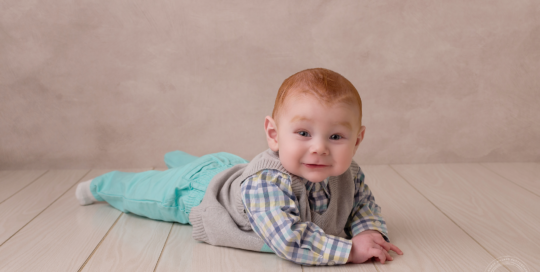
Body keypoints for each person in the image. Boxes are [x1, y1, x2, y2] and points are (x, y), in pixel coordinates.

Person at [75, 68, 403, 266]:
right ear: (274, 135)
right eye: (303, 133)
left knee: (214, 167)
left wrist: (369, 231)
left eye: (336, 136)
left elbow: (363, 206)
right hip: (199, 191)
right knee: (145, 193)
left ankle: (181, 158)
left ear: (357, 140)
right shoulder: (266, 183)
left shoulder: (350, 174)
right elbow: (288, 240)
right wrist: (348, 250)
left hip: (235, 169)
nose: (319, 147)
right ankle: (106, 184)